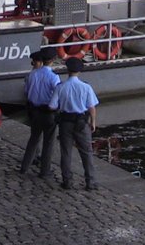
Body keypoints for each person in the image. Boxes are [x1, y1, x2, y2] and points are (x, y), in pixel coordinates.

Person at [48, 57, 99, 190]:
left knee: (66, 152)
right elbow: (91, 107)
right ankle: (90, 182)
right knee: (86, 152)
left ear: (67, 70)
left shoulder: (61, 87)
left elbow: (52, 106)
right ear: (80, 71)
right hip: (81, 122)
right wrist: (93, 122)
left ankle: (67, 181)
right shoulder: (86, 87)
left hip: (65, 123)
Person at [20, 48, 60, 177]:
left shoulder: (32, 74)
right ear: (53, 60)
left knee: (33, 139)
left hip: (34, 111)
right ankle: (45, 171)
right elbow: (58, 94)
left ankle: (24, 167)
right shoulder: (54, 77)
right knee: (48, 142)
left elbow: (26, 92)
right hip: (48, 113)